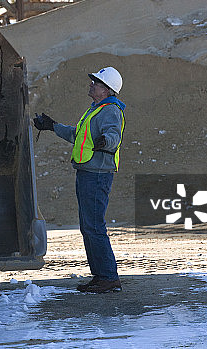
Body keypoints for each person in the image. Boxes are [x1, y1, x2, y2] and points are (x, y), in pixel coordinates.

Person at [33, 67, 126, 294]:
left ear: (107, 89)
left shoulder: (111, 111)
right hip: (88, 173)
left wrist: (106, 141)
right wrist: (53, 126)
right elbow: (78, 136)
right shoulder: (96, 110)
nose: (91, 84)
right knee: (89, 227)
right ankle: (101, 275)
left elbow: (114, 134)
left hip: (97, 176)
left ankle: (108, 277)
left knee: (94, 227)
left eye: (96, 82)